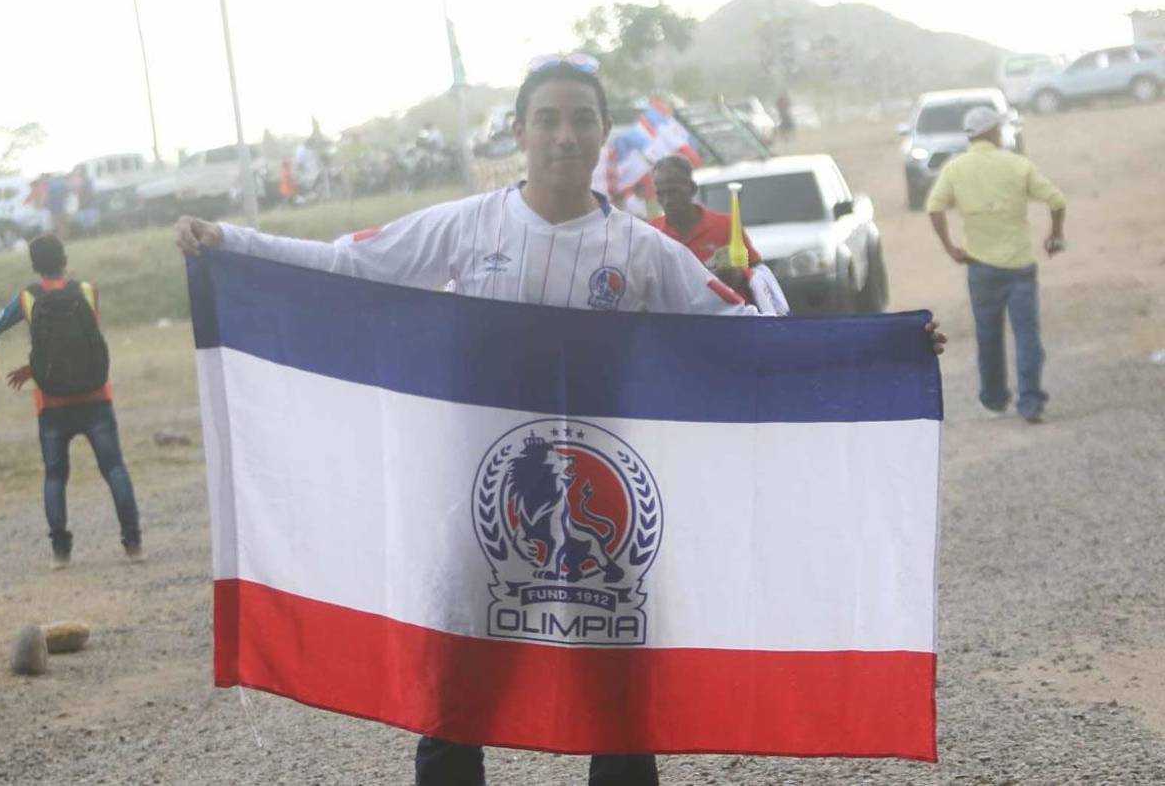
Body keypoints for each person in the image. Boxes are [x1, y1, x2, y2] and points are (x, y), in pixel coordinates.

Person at [176, 54, 946, 785]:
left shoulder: (640, 251)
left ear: (603, 133)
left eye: (581, 119)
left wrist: (883, 350)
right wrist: (230, 244)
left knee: (619, 701)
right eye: (546, 119)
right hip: (479, 498)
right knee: (456, 694)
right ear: (518, 133)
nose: (564, 135)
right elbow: (350, 265)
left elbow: (743, 334)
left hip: (608, 491)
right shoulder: (468, 229)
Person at [0, 235, 143, 567]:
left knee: (54, 476)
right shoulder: (89, 292)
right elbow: (80, 347)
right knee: (115, 468)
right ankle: (133, 545)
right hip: (96, 398)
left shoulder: (28, 299)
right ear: (64, 258)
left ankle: (61, 554)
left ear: (34, 265)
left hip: (52, 403)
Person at [926, 105, 1066, 423]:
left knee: (988, 335)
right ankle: (1030, 402)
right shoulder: (1017, 165)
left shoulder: (955, 169)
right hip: (1020, 267)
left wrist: (951, 248)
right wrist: (1055, 234)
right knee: (1027, 335)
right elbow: (1057, 200)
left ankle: (994, 399)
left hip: (981, 268)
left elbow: (934, 208)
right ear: (993, 131)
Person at [649, 154, 789, 315]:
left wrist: (739, 276)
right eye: (660, 194)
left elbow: (759, 273)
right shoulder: (653, 234)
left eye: (673, 192)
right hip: (681, 326)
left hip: (731, 323)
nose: (667, 201)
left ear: (692, 189)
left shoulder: (726, 225)